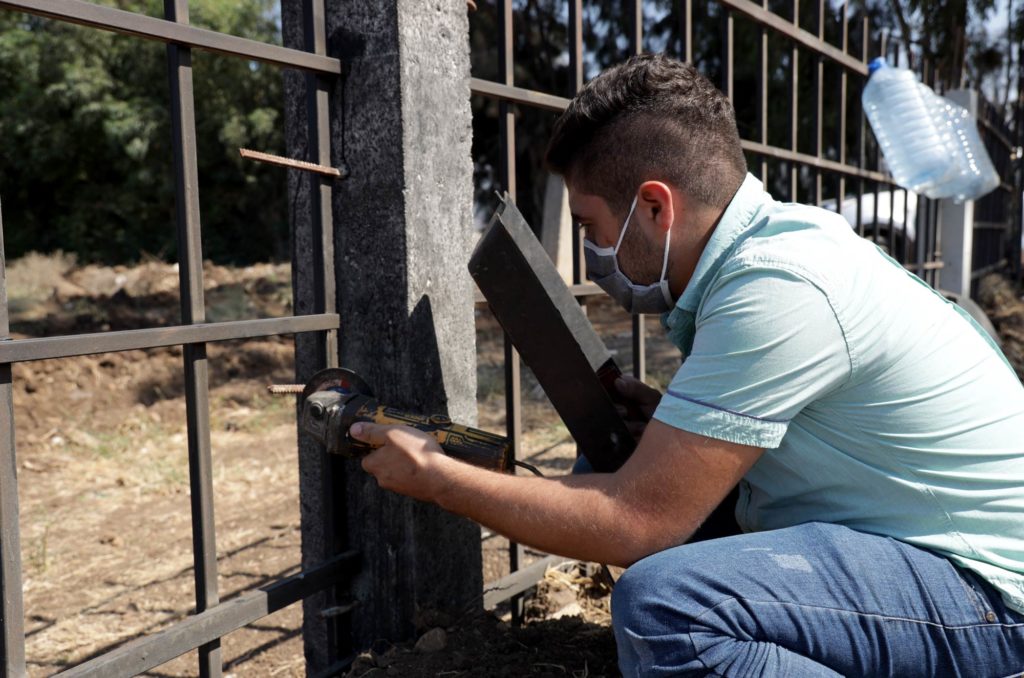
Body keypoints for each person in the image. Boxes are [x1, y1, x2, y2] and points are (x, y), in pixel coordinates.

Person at [350, 54, 1024, 676]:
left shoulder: (779, 287)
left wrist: (439, 480)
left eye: (590, 227)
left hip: (989, 594)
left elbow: (638, 522)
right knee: (612, 461)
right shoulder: (775, 252)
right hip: (924, 545)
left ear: (653, 206)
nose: (589, 251)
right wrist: (672, 423)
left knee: (669, 611)